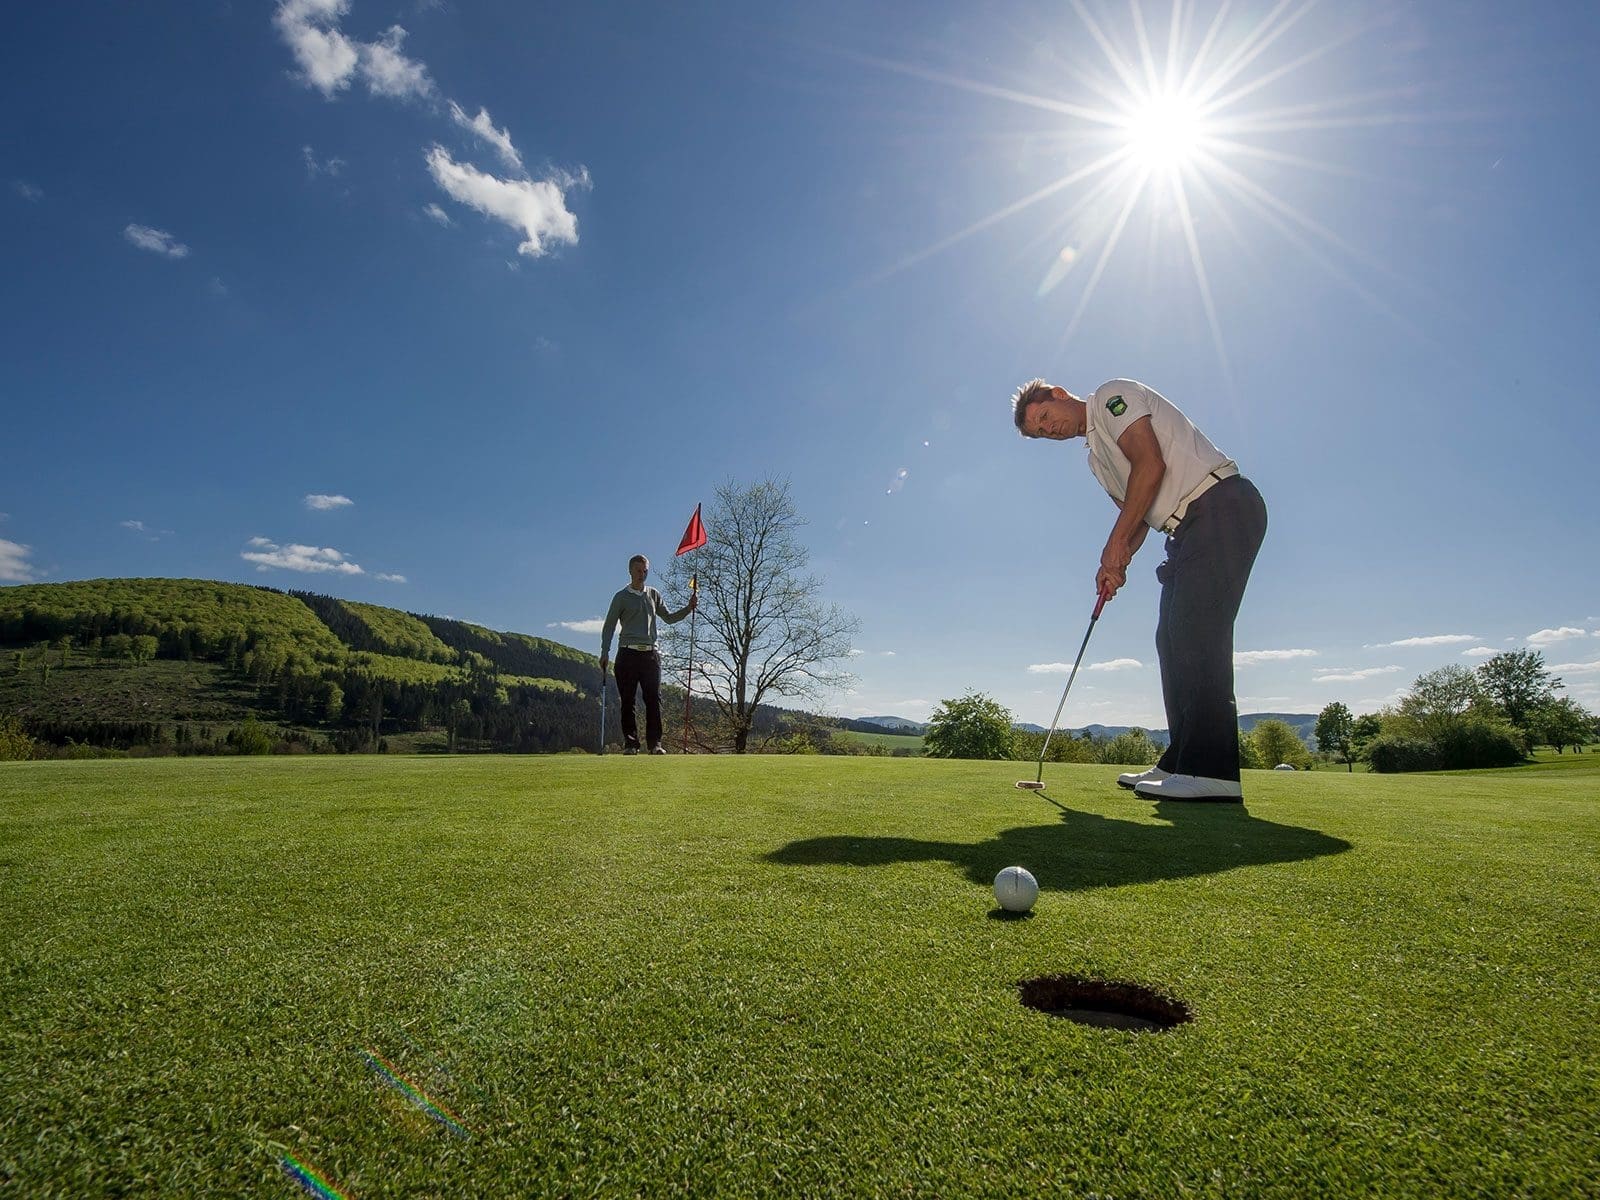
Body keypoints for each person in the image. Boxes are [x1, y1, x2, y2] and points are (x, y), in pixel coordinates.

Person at [1011, 378, 1267, 800]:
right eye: (1039, 432)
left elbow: (1151, 466)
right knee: (1171, 637)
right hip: (1185, 529)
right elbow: (1139, 516)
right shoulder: (1097, 460)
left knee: (1195, 631)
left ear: (1057, 394)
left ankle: (1214, 770)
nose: (1048, 430)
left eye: (1044, 417)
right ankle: (1182, 761)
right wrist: (1116, 562)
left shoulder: (1113, 396)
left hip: (1220, 505)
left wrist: (1113, 546)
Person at [600, 554, 696, 754]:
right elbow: (609, 626)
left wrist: (688, 609)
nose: (642, 575)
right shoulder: (620, 597)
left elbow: (668, 618)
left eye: (645, 571)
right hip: (627, 654)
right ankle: (631, 744)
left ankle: (655, 744)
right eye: (638, 570)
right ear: (630, 571)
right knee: (628, 700)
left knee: (654, 699)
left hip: (650, 656)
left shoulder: (653, 594)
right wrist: (604, 651)